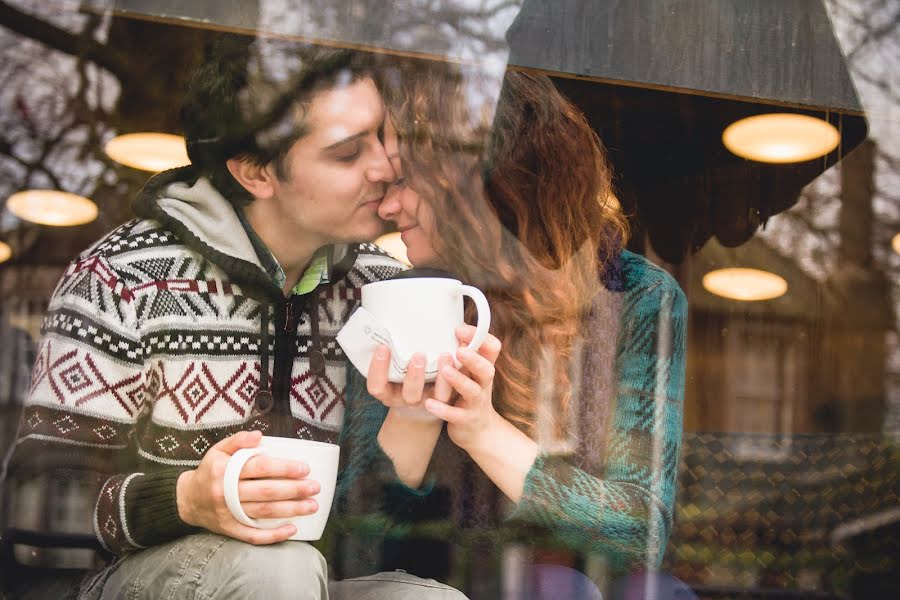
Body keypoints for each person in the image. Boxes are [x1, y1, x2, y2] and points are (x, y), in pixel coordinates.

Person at [1, 35, 467, 599]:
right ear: (255, 172)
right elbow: (36, 505)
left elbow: (379, 540)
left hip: (311, 582)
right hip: (134, 584)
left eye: (380, 137)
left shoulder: (383, 289)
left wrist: (415, 425)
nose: (387, 165)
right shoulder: (122, 277)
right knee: (278, 570)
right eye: (348, 153)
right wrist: (188, 501)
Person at [344, 64, 687, 598]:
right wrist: (411, 416)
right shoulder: (409, 301)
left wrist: (482, 432)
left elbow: (638, 531)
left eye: (407, 182)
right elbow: (355, 543)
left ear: (481, 190)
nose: (388, 207)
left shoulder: (638, 299)